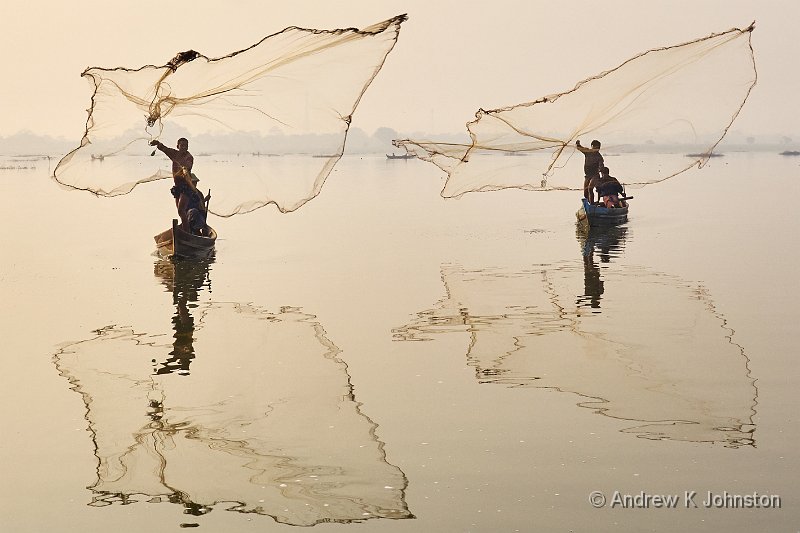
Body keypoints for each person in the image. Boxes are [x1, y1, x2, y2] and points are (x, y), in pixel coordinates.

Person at [150, 137, 201, 231]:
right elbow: (164, 149)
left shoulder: (189, 157)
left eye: (186, 146)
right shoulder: (174, 154)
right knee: (181, 212)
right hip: (178, 186)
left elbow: (188, 166)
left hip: (186, 186)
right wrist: (157, 143)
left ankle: (187, 232)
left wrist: (184, 168)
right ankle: (187, 228)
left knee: (181, 210)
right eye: (182, 145)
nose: (184, 147)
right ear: (178, 146)